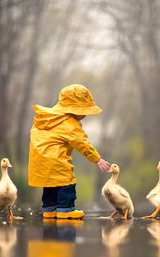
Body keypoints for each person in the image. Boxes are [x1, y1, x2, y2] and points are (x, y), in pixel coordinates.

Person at [28, 84, 110, 219]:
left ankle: (49, 210)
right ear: (74, 110)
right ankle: (66, 210)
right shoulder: (69, 124)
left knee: (50, 184)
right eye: (84, 111)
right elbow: (82, 143)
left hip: (39, 162)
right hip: (57, 160)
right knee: (67, 182)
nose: (85, 115)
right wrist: (97, 159)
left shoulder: (44, 118)